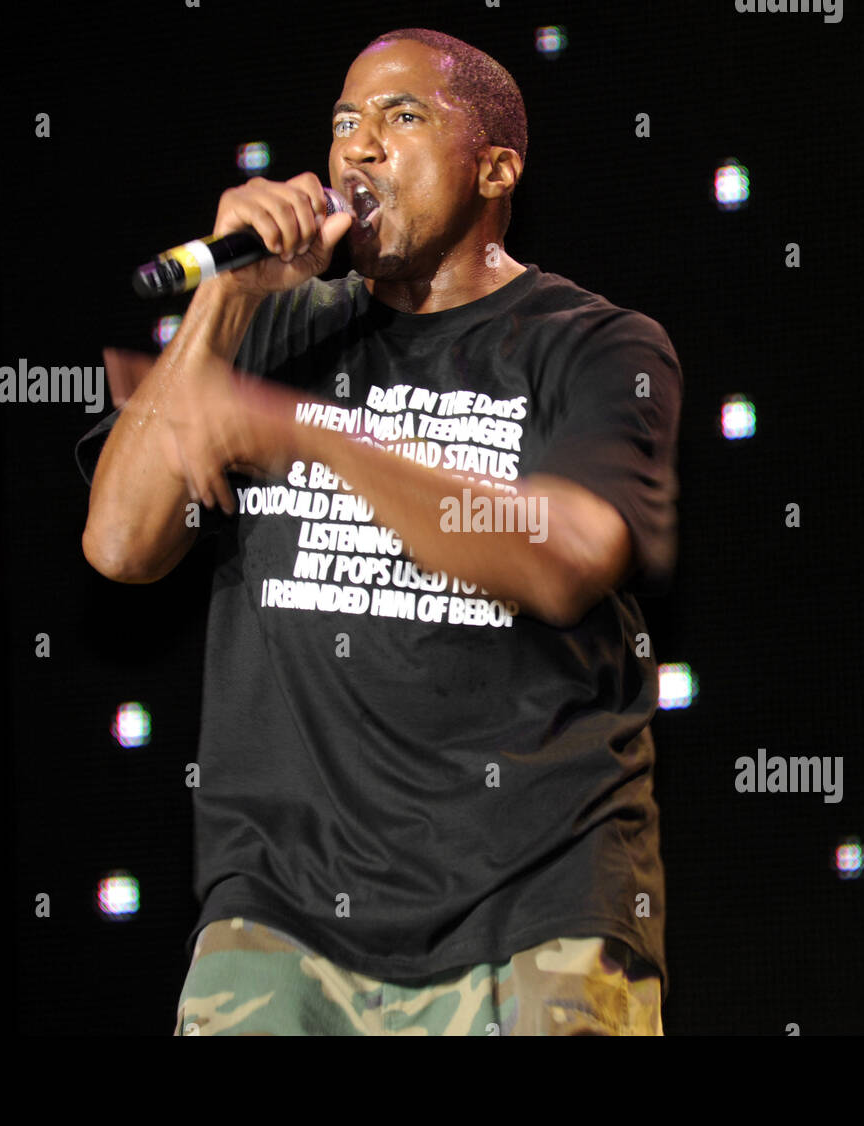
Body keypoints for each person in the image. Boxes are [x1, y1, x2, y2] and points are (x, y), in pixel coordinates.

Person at [76, 27, 682, 1036]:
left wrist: (303, 432)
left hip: (535, 906)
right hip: (277, 914)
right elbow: (122, 546)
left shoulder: (594, 344)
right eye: (343, 123)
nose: (357, 148)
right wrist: (224, 302)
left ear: (496, 168)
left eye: (402, 118)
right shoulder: (263, 334)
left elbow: (568, 556)